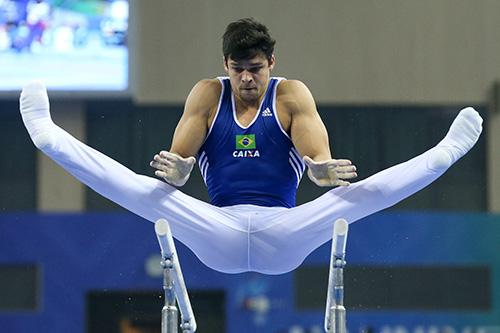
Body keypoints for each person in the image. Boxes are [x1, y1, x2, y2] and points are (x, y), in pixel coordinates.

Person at [19, 18, 483, 275]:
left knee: (350, 201)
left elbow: (317, 162)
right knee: (146, 194)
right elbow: (180, 166)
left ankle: (442, 154)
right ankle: (51, 137)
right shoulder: (206, 94)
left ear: (271, 63)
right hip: (215, 229)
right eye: (238, 68)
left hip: (285, 232)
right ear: (225, 63)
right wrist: (177, 173)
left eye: (256, 68)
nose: (247, 78)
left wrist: (321, 172)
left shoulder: (291, 95)